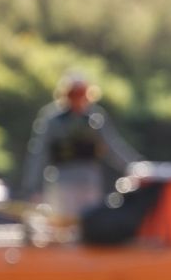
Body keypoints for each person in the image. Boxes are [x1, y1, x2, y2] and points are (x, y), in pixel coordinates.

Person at [20, 72, 140, 220]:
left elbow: (113, 147)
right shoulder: (52, 120)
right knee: (62, 228)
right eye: (73, 94)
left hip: (89, 182)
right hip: (62, 182)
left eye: (81, 94)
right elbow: (39, 154)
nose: (78, 99)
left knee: (88, 227)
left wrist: (136, 168)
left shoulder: (95, 119)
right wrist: (32, 187)